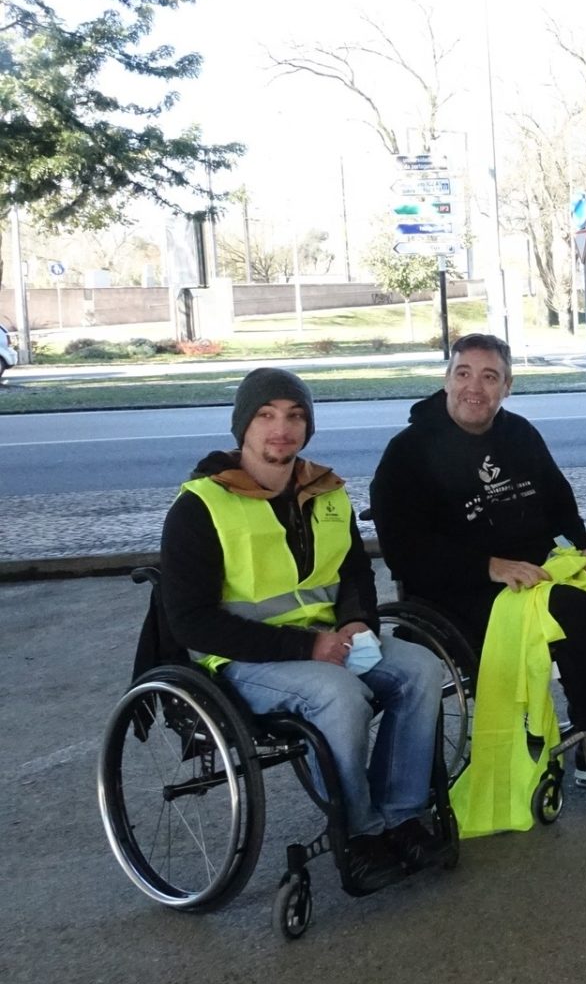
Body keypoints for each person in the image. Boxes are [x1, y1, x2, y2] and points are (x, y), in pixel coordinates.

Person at [160, 368, 445, 889]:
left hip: (327, 640)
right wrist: (307, 645)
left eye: (295, 416)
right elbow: (191, 621)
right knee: (338, 695)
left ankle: (403, 817)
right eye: (266, 415)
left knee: (423, 669)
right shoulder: (201, 506)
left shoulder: (327, 492)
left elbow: (354, 573)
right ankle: (358, 834)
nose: (281, 428)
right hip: (242, 660)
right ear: (242, 426)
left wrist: (358, 619)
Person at [371, 333, 586, 791]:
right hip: (458, 593)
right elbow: (403, 550)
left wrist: (583, 547)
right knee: (569, 609)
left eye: (489, 377)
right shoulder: (408, 453)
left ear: (507, 386)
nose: (476, 387)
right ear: (446, 380)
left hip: (538, 577)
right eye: (464, 373)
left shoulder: (519, 435)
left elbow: (560, 503)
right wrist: (488, 565)